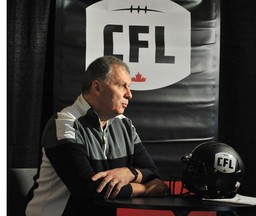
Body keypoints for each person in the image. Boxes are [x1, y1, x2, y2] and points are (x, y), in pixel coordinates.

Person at [25, 56, 169, 216]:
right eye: (122, 86)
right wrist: (145, 189)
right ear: (97, 87)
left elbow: (153, 174)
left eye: (129, 87)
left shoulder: (125, 125)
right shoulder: (64, 123)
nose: (129, 94)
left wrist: (128, 173)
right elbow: (88, 188)